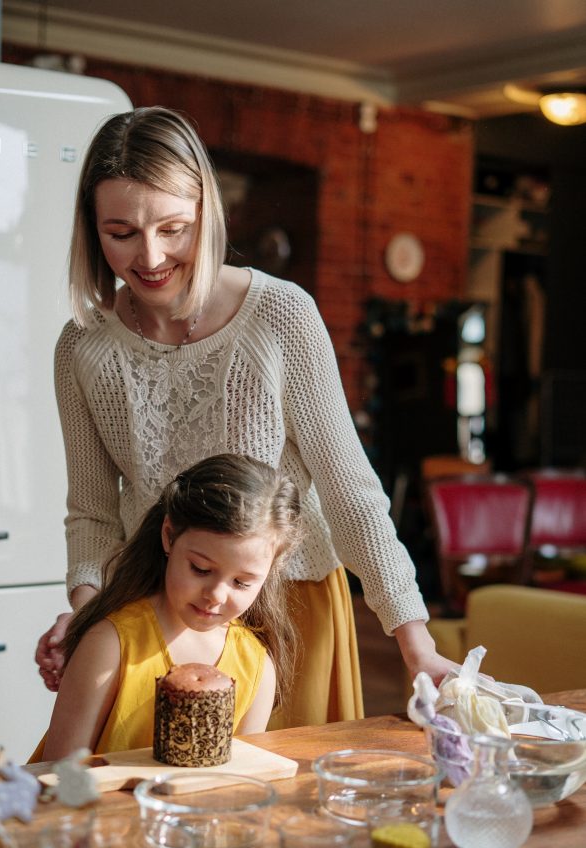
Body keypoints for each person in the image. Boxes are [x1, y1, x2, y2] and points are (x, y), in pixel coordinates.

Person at [35, 105, 457, 728]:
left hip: (292, 610)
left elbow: (350, 491)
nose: (149, 257)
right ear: (91, 230)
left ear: (206, 214)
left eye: (172, 228)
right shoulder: (82, 347)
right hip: (158, 611)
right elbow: (93, 511)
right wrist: (86, 608)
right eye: (120, 232)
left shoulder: (281, 316)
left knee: (282, 808)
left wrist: (413, 638)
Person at [33, 454, 301, 761]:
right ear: (169, 536)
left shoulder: (256, 666)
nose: (215, 595)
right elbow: (61, 773)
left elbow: (242, 777)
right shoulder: (111, 644)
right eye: (200, 569)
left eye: (241, 583)